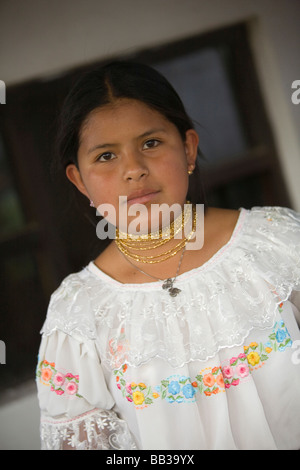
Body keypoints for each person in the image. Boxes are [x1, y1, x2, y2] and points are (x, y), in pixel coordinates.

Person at [36, 61, 300, 450]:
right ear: (79, 180)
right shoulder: (77, 319)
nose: (134, 170)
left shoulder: (278, 244)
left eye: (151, 143)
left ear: (188, 148)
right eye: (106, 156)